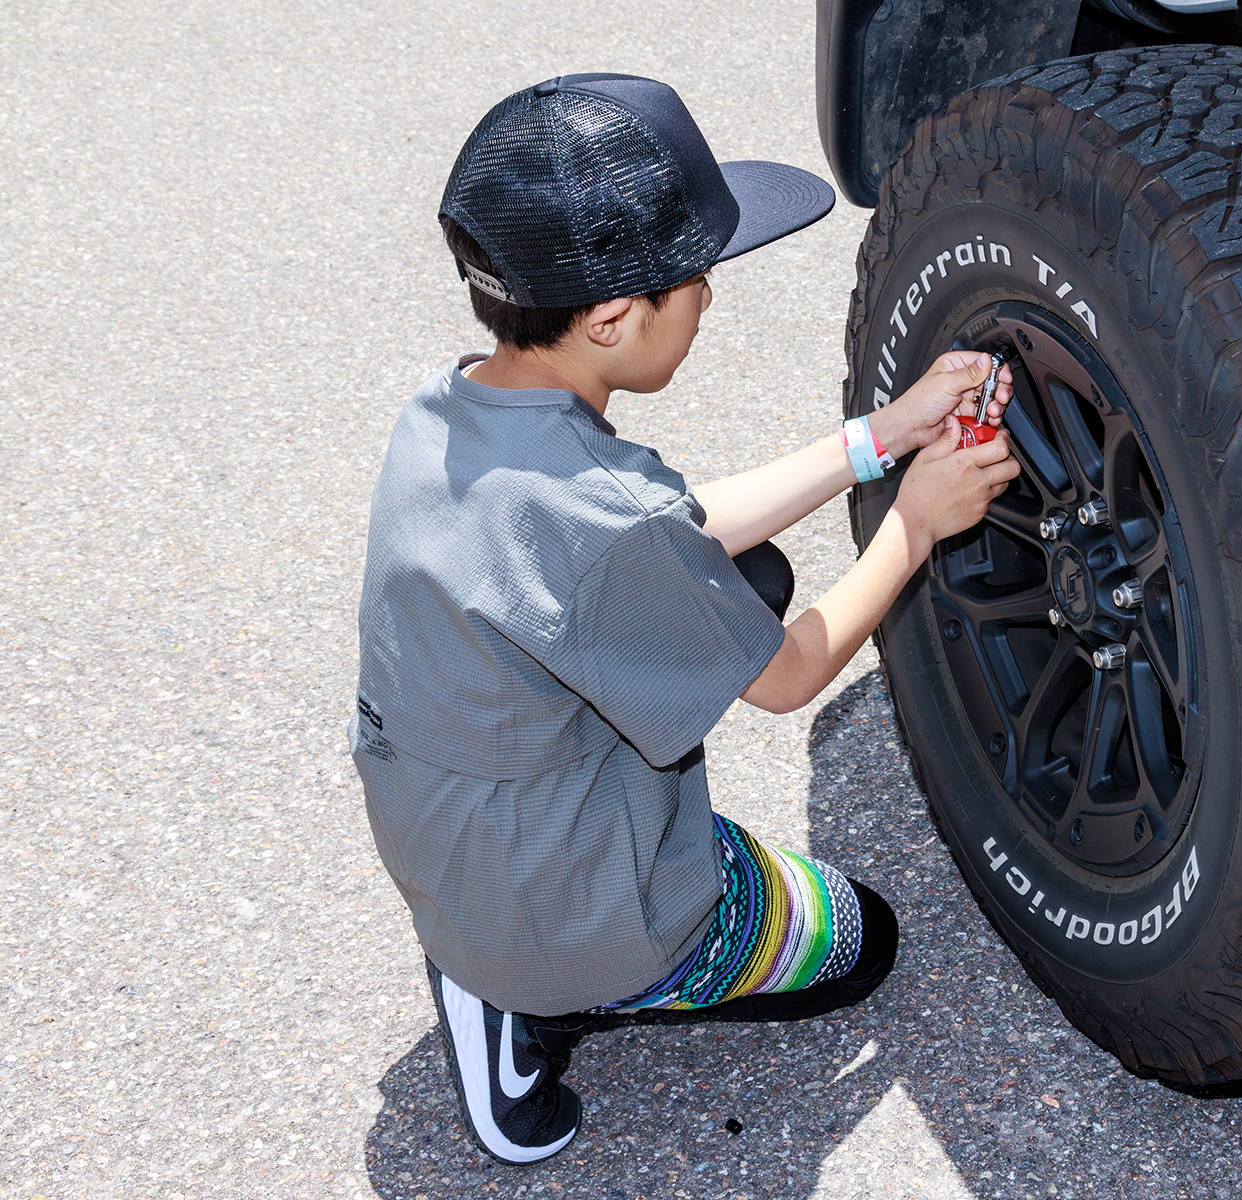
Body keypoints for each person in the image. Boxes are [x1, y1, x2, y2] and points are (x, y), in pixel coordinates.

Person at [351, 73, 1019, 1166]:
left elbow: (673, 528)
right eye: (698, 280)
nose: (711, 297)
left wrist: (884, 434)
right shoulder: (608, 526)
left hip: (449, 851)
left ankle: (484, 967)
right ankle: (555, 989)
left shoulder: (449, 414)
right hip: (586, 908)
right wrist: (918, 521)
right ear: (615, 316)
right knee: (864, 942)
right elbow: (792, 672)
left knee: (725, 578)